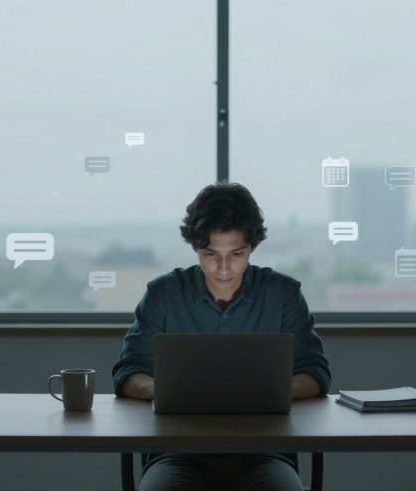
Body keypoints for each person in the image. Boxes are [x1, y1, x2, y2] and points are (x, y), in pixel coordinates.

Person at [111, 182, 331, 491]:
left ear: (252, 247)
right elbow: (127, 372)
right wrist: (173, 391)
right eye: (210, 253)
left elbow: (316, 374)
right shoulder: (164, 294)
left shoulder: (283, 294)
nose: (223, 267)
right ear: (195, 248)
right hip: (176, 455)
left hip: (265, 454)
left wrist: (261, 391)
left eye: (236, 254)